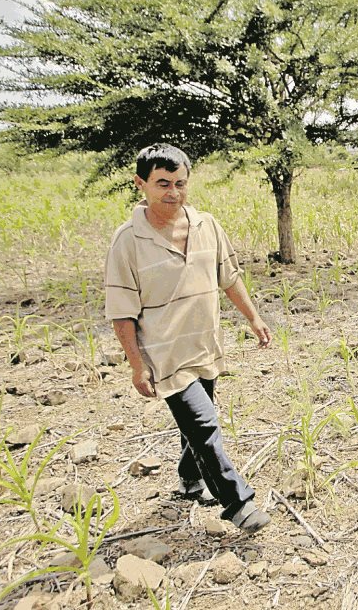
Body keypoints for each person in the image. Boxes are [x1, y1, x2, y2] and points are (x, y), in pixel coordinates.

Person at [105, 143, 273, 533]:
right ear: (140, 184)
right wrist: (136, 365)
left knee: (195, 427)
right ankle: (237, 503)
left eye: (180, 183)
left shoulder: (207, 225)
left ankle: (190, 477)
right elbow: (121, 311)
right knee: (204, 422)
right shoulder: (127, 241)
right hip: (164, 354)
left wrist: (254, 318)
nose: (173, 192)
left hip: (204, 344)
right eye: (163, 183)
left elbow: (228, 277)